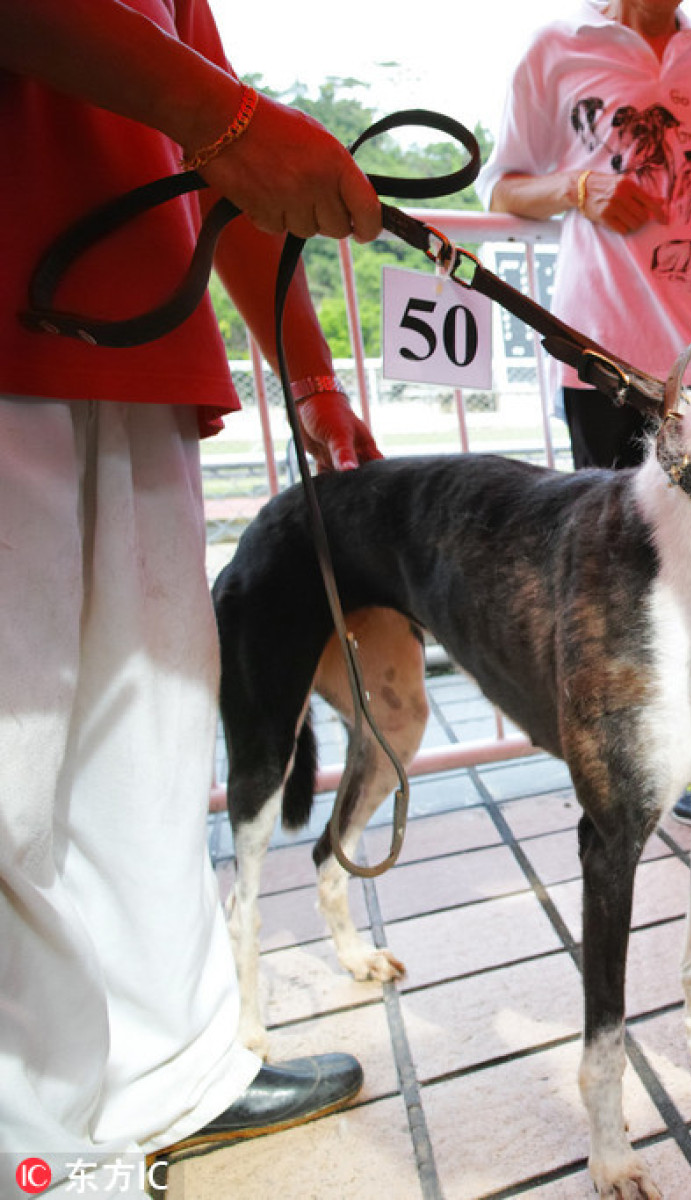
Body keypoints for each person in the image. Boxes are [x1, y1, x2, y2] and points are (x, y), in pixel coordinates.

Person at [1, 0, 384, 1178]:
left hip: (137, 348)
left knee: (147, 759)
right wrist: (227, 121)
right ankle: (32, 1142)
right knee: (10, 771)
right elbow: (221, 127)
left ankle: (169, 1075)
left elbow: (214, 160)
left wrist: (312, 376)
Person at [479, 0, 691, 472]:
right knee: (607, 534)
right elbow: (498, 188)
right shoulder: (559, 46)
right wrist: (578, 187)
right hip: (599, 352)